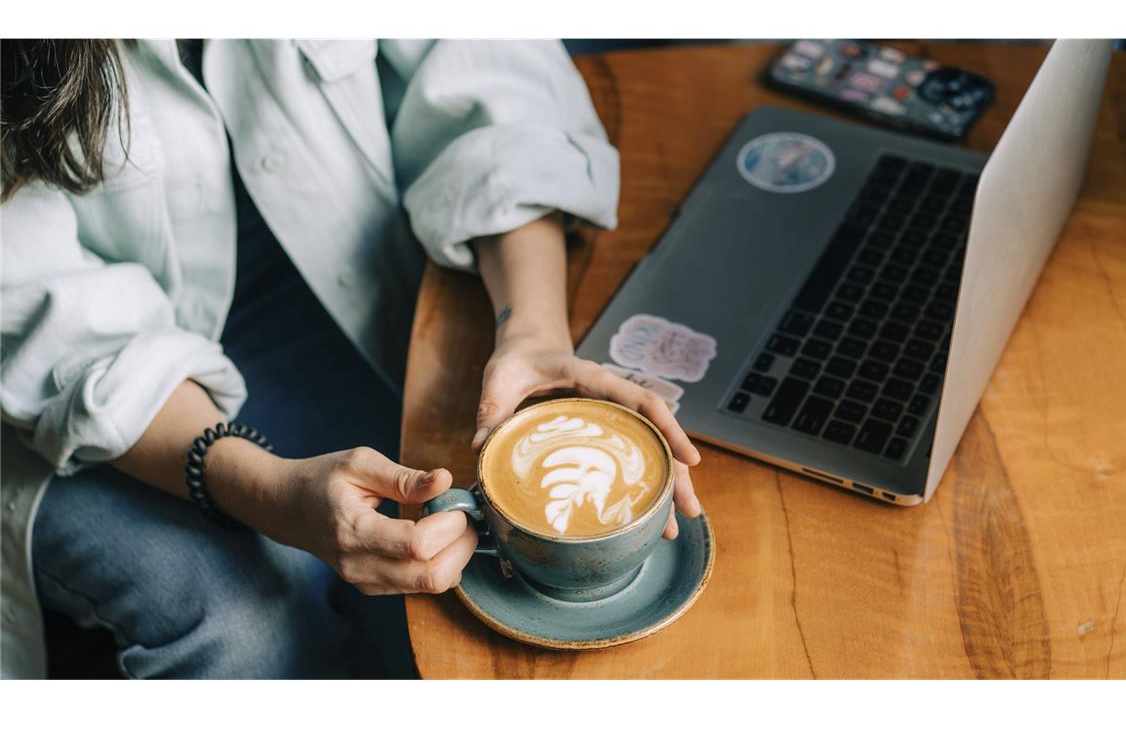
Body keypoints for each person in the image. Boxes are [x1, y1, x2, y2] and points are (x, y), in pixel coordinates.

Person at [0, 39, 703, 678]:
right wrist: (268, 492)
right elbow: (42, 309)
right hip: (65, 392)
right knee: (252, 626)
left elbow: (487, 65)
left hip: (348, 287)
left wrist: (533, 331)